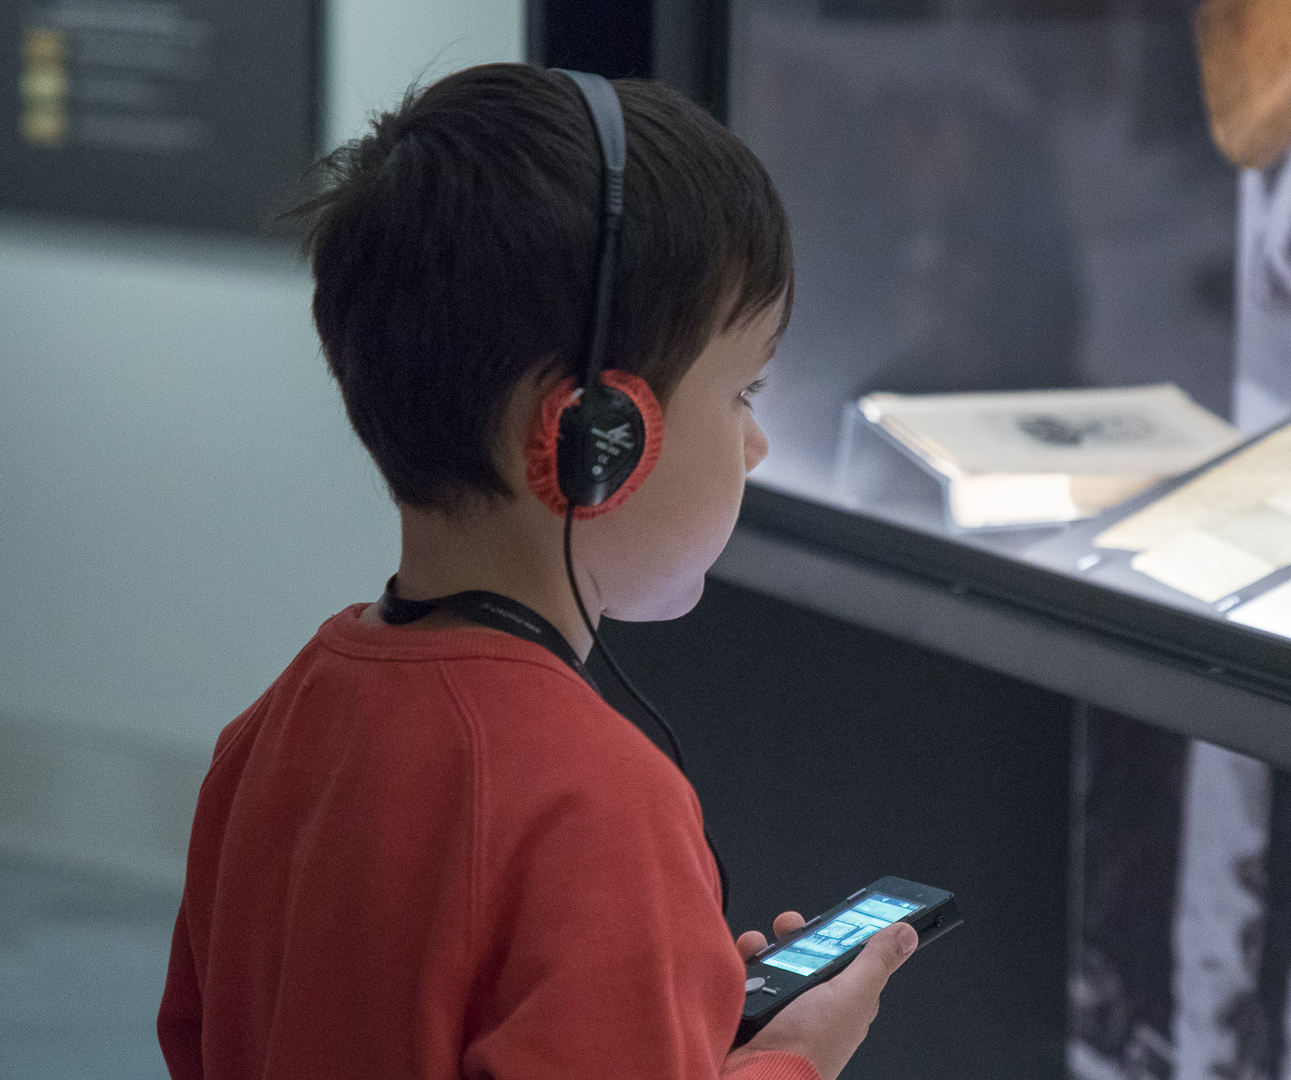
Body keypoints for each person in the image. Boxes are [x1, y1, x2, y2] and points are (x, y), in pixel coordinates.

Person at [156, 63, 916, 1080]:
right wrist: (794, 1063)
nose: (756, 446)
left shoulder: (266, 735)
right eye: (744, 392)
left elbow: (199, 1045)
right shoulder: (599, 807)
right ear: (594, 435)